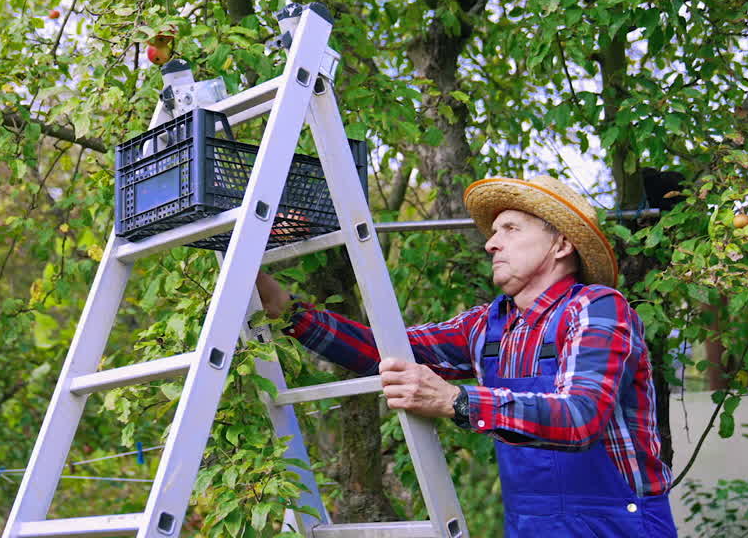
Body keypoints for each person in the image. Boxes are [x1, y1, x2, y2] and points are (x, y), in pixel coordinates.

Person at [256, 176, 678, 538]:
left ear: (561, 243)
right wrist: (287, 311)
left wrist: (456, 401)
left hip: (616, 527)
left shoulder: (596, 307)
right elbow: (383, 350)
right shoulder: (486, 325)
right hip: (530, 526)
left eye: (510, 228)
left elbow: (580, 417)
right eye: (494, 233)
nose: (492, 244)